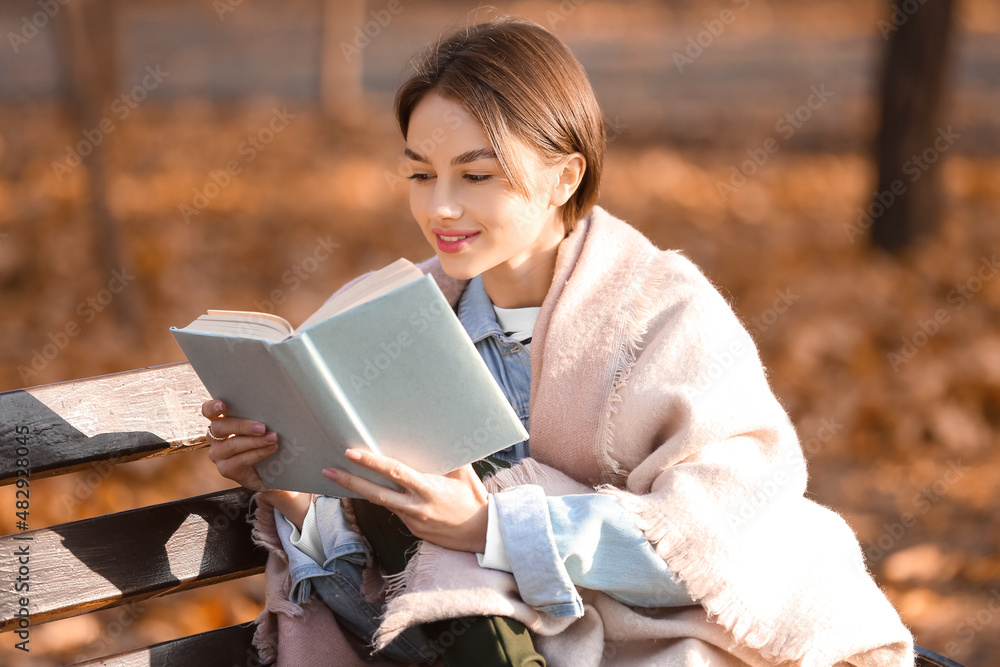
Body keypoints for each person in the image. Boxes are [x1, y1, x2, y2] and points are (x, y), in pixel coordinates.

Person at [202, 16, 914, 667]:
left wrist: (493, 526)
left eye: (476, 175)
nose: (440, 206)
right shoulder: (389, 324)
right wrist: (296, 496)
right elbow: (405, 620)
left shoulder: (665, 314)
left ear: (566, 175)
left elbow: (710, 542)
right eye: (420, 173)